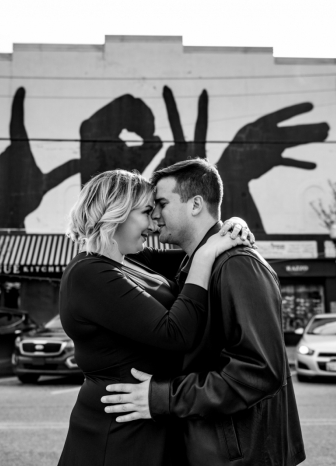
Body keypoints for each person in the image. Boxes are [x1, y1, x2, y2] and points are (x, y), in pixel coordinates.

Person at [101, 159, 305, 466]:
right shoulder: (195, 261)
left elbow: (261, 372)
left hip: (240, 456)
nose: (154, 215)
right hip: (215, 449)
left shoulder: (238, 265)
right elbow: (118, 246)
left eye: (161, 203)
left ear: (195, 204)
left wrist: (164, 398)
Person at [57, 169, 253, 466]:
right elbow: (175, 333)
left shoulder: (130, 259)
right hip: (117, 434)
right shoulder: (88, 273)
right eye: (147, 212)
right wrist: (204, 257)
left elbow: (200, 244)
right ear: (116, 213)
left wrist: (230, 225)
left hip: (152, 419)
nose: (152, 224)